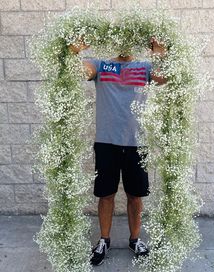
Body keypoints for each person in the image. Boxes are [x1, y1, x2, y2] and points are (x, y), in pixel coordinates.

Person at [69, 36, 167, 266]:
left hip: (137, 143)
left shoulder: (145, 67)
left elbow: (163, 78)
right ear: (113, 39)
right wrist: (75, 52)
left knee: (135, 196)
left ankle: (135, 239)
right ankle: (104, 240)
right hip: (106, 143)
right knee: (106, 195)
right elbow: (79, 72)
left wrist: (160, 52)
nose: (126, 42)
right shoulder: (102, 65)